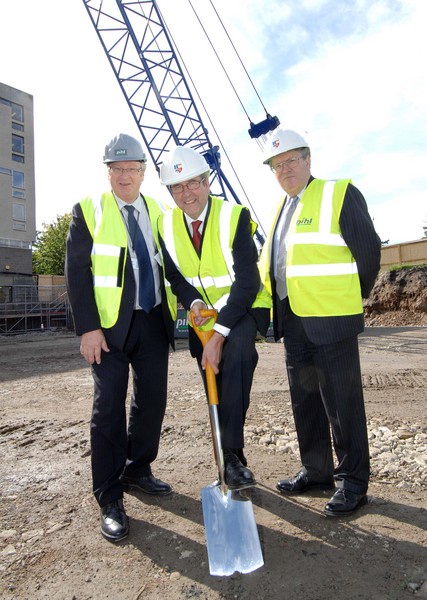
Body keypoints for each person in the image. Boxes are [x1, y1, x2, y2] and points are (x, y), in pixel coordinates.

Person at [259, 128, 381, 517]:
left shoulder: (338, 193)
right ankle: (316, 471)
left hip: (331, 319)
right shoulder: (281, 208)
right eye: (277, 165)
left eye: (291, 160)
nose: (284, 169)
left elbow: (368, 250)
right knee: (305, 400)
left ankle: (353, 483)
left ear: (308, 159)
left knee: (343, 404)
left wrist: (348, 298)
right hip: (293, 318)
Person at [65, 133, 176, 542]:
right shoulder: (89, 211)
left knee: (152, 401)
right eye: (117, 169)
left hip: (151, 320)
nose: (124, 176)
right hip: (107, 328)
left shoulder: (161, 213)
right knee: (108, 408)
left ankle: (138, 468)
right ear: (108, 172)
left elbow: (173, 266)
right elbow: (77, 273)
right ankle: (109, 496)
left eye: (131, 169)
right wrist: (88, 328)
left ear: (144, 173)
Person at [158, 145, 271, 490]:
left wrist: (219, 335)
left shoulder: (234, 216)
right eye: (177, 187)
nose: (186, 193)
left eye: (193, 183)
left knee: (236, 353)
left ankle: (232, 457)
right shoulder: (165, 225)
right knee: (216, 383)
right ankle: (228, 456)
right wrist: (191, 304)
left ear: (207, 182)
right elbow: (176, 278)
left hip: (242, 308)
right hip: (201, 317)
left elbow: (248, 281)